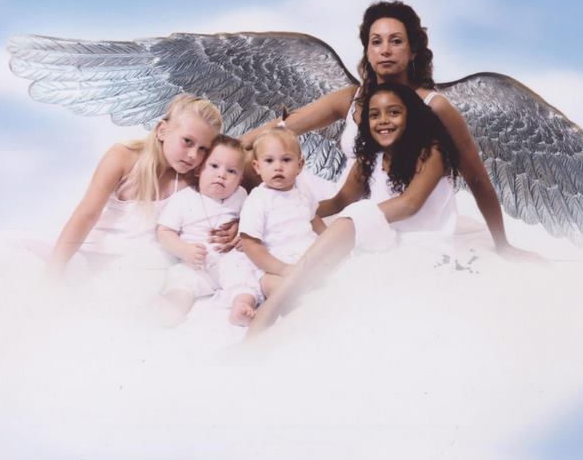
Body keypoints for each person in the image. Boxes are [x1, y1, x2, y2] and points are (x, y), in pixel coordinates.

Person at [238, 0, 533, 260]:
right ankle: (229, 226)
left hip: (391, 215)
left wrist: (502, 244)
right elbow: (283, 128)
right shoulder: (350, 98)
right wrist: (231, 146)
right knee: (245, 160)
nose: (385, 51)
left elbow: (476, 176)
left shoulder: (435, 106)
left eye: (396, 41)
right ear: (367, 51)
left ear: (413, 50)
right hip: (345, 198)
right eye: (376, 42)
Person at [246, 82, 460, 337]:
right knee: (341, 243)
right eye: (374, 115)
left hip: (422, 244)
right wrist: (292, 208)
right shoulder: (370, 157)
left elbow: (409, 205)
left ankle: (264, 320)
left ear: (411, 116)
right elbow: (341, 201)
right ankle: (292, 310)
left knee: (353, 222)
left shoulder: (431, 152)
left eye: (394, 112)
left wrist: (354, 221)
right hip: (384, 237)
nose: (383, 121)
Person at [46, 93, 223, 280]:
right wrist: (54, 270)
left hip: (138, 268)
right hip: (92, 251)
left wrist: (239, 228)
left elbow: (244, 152)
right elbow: (87, 214)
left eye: (203, 148)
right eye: (187, 141)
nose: (193, 155)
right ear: (162, 131)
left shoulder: (193, 178)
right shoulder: (124, 157)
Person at [156, 135, 261, 326]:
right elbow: (164, 231)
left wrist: (242, 232)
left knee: (244, 277)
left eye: (231, 171)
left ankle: (242, 306)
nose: (222, 174)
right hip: (196, 264)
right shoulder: (184, 199)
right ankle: (174, 307)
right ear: (199, 170)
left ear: (240, 180)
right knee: (182, 281)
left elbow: (253, 219)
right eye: (214, 166)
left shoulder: (241, 195)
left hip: (230, 260)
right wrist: (183, 250)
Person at [239, 128, 327, 300]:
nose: (278, 167)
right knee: (279, 289)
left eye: (286, 160)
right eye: (269, 161)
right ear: (257, 167)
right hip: (274, 265)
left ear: (299, 166)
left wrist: (329, 240)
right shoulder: (258, 199)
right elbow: (250, 244)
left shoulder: (303, 192)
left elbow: (314, 220)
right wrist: (284, 269)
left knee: (336, 275)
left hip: (308, 258)